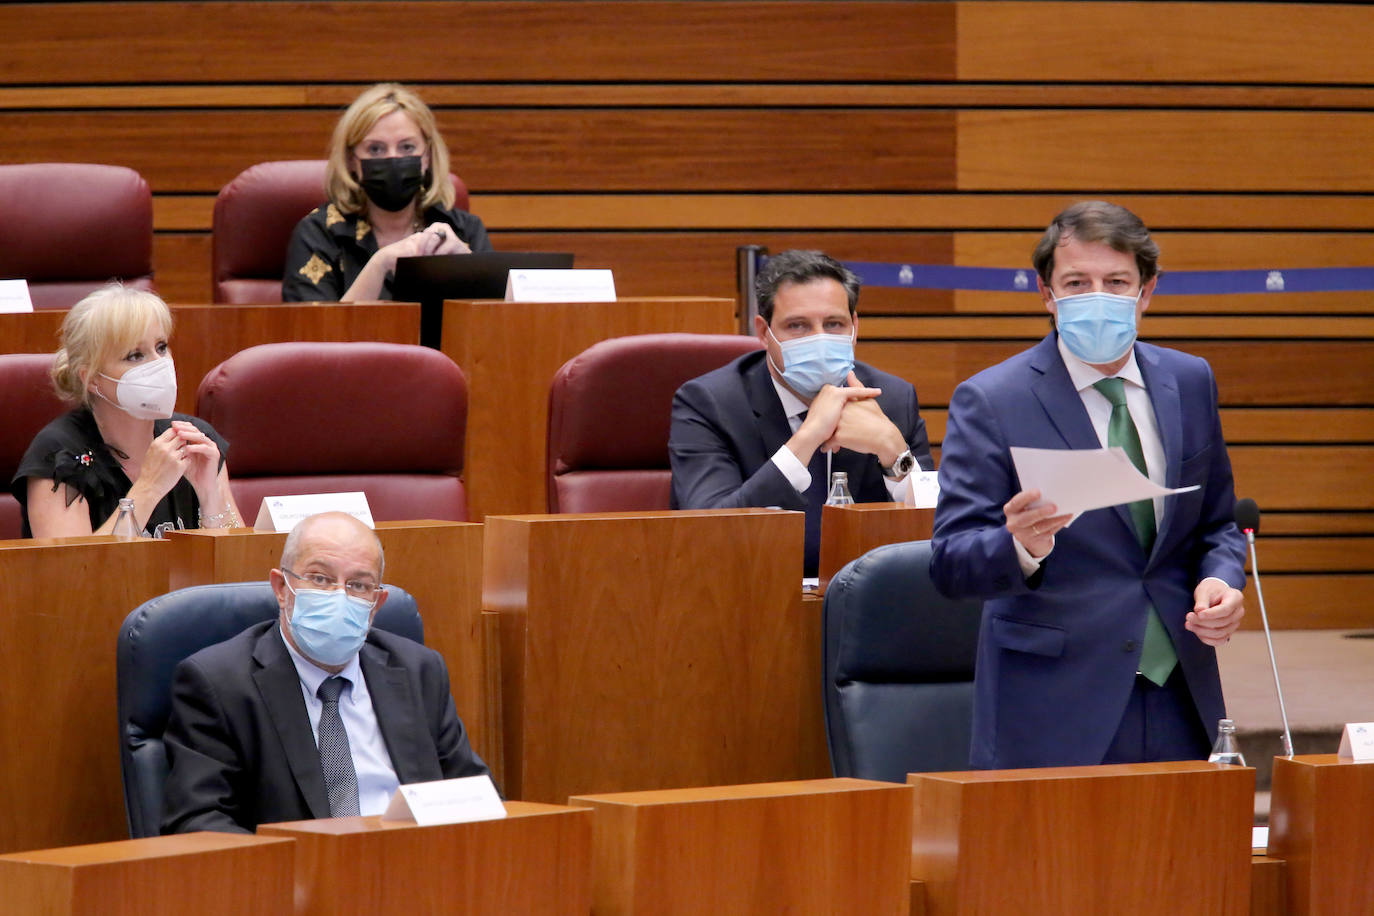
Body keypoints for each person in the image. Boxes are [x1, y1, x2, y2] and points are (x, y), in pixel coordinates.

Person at [930, 201, 1247, 769]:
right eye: (1077, 282)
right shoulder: (993, 400)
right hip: (1053, 701)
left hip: (1179, 683)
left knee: (1181, 856)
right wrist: (1022, 545)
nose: (1096, 296)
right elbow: (951, 562)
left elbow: (1217, 521)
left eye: (1116, 281)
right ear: (1047, 294)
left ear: (1146, 291)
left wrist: (1222, 581)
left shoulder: (1189, 379)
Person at [161, 511, 490, 834]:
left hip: (411, 869)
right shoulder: (219, 683)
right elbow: (197, 822)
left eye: (359, 585)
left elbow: (475, 796)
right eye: (320, 579)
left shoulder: (419, 671)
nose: (339, 596)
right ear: (281, 587)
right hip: (293, 879)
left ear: (376, 604)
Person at [669, 249, 933, 577]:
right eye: (798, 326)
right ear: (764, 332)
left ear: (855, 327)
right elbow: (709, 531)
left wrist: (895, 453)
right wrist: (807, 439)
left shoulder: (891, 398)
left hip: (868, 604)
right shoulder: (710, 403)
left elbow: (941, 535)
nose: (819, 339)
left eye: (834, 324)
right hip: (750, 595)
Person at [10, 285, 240, 538]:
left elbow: (240, 567)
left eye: (161, 347)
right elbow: (71, 572)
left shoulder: (196, 438)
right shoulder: (59, 457)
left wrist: (210, 498)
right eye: (135, 355)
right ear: (92, 378)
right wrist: (148, 488)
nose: (159, 364)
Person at [282, 82, 493, 302]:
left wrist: (470, 267)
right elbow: (312, 331)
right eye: (375, 149)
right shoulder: (318, 234)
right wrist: (379, 265)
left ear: (428, 156)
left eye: (407, 147)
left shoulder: (464, 231)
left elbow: (494, 326)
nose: (393, 159)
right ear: (352, 160)